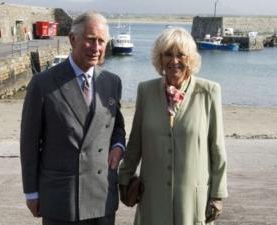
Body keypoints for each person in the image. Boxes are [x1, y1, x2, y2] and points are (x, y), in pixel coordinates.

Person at [20, 11, 126, 225]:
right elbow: (29, 143)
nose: (96, 48)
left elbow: (117, 126)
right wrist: (31, 192)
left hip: (101, 195)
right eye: (90, 40)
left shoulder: (111, 82)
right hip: (62, 198)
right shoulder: (43, 84)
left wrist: (118, 145)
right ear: (72, 39)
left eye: (101, 41)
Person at [118, 27, 228, 225]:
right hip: (152, 199)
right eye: (168, 54)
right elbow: (135, 143)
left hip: (193, 201)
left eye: (181, 55)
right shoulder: (146, 91)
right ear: (159, 58)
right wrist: (124, 179)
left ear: (190, 59)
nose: (174, 61)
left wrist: (218, 194)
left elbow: (217, 147)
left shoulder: (209, 91)